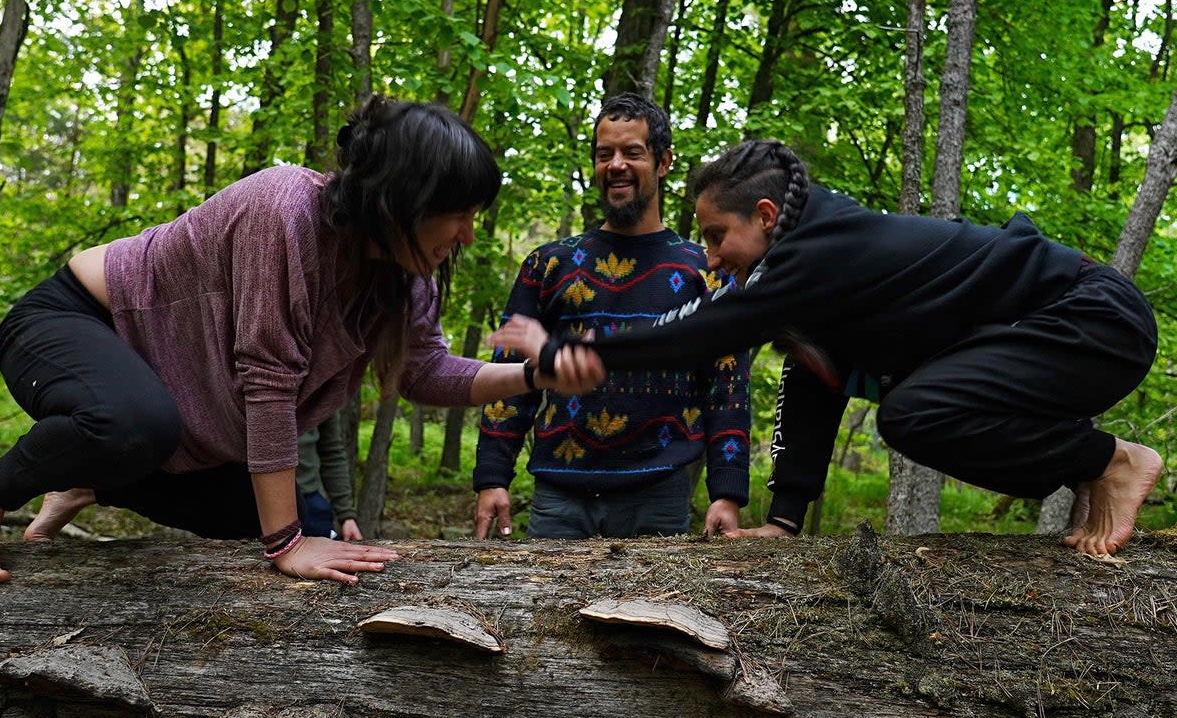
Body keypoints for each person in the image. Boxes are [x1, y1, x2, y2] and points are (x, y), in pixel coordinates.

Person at [0, 95, 599, 596]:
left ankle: (88, 477)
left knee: (251, 515)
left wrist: (532, 374)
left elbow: (426, 372)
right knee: (144, 427)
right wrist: (286, 548)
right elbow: (267, 383)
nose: (467, 234)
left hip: (158, 398)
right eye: (459, 213)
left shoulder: (404, 277)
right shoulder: (285, 211)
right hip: (73, 323)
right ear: (404, 199)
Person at [492, 139, 1162, 557]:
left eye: (718, 236)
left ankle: (1110, 460)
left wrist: (569, 351)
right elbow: (813, 386)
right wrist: (785, 518)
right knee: (914, 405)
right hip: (1059, 337)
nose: (712, 257)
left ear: (763, 218)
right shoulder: (812, 283)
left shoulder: (815, 254)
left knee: (915, 413)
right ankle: (1095, 468)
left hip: (1092, 321)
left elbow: (701, 330)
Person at [472, 93, 752, 540]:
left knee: (657, 612)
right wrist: (491, 477)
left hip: (661, 494)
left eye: (632, 153)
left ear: (663, 162)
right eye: (605, 155)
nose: (616, 165)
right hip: (558, 497)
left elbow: (727, 389)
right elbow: (510, 377)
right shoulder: (547, 265)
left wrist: (728, 491)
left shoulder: (707, 272)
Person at [297, 410, 361, 541]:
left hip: (308, 501)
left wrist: (346, 514)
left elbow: (331, 452)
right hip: (250, 501)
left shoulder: (320, 392)